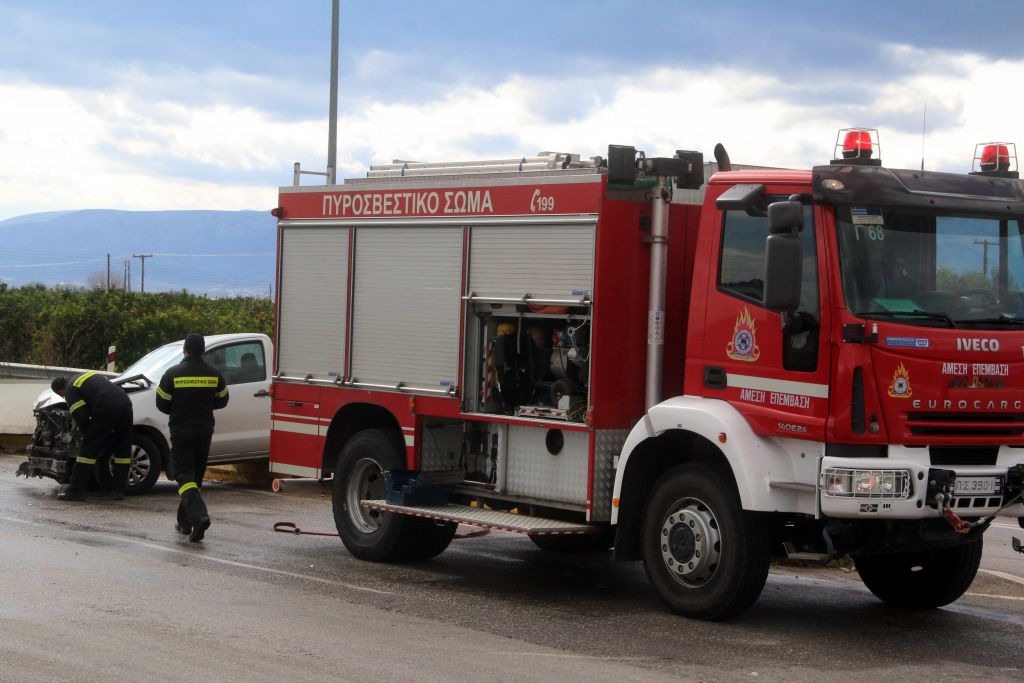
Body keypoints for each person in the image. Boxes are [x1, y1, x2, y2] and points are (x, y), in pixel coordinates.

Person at [156, 333, 229, 542]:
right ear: (204, 351)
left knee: (183, 475)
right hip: (204, 431)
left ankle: (199, 517)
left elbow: (162, 404)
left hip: (181, 431)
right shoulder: (214, 374)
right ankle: (184, 523)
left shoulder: (172, 374)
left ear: (185, 350)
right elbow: (222, 400)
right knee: (194, 477)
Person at [51, 371, 133, 501]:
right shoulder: (83, 376)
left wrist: (89, 437)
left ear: (61, 391)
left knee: (87, 452)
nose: (63, 397)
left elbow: (82, 417)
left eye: (62, 395)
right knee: (123, 448)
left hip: (106, 405)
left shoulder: (70, 390)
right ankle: (118, 491)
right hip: (125, 403)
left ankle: (76, 491)